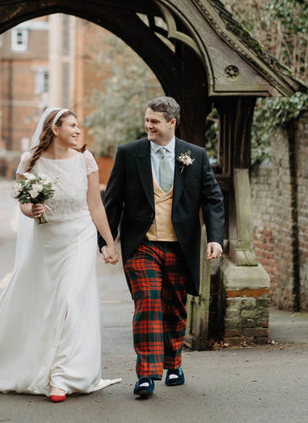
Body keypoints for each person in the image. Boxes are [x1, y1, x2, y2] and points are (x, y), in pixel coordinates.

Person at [0, 107, 121, 402]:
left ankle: (62, 377)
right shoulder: (31, 161)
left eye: (78, 126)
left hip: (79, 236)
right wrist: (32, 210)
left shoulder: (86, 160)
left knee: (70, 299)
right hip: (48, 239)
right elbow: (23, 203)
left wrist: (108, 242)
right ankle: (29, 362)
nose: (78, 131)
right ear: (55, 129)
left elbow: (95, 205)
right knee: (44, 304)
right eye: (72, 125)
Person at [101, 96, 225, 398]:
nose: (148, 125)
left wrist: (215, 238)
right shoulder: (130, 154)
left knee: (173, 308)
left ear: (172, 122)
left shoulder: (194, 155)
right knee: (148, 302)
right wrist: (105, 242)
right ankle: (146, 374)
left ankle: (173, 363)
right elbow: (112, 201)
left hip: (180, 246)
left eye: (154, 121)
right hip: (141, 244)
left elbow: (212, 199)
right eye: (147, 120)